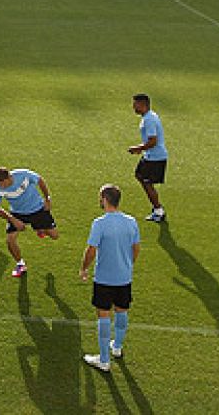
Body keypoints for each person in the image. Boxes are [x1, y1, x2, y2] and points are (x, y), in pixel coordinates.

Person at [80, 184, 142, 372]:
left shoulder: (100, 223)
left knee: (103, 315)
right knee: (122, 311)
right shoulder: (131, 221)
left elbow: (91, 250)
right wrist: (128, 265)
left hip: (104, 278)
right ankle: (117, 347)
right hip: (124, 277)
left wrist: (83, 268)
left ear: (105, 200)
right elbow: (136, 247)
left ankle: (104, 360)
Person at [0, 167, 59, 278]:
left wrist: (47, 199)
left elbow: (40, 180)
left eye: (3, 183)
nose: (1, 186)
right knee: (10, 240)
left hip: (37, 209)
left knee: (54, 236)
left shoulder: (24, 175)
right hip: (17, 213)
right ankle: (20, 264)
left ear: (9, 177)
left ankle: (40, 229)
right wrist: (13, 220)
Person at [128, 94, 168, 222]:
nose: (133, 107)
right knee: (140, 176)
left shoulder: (149, 120)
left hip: (155, 157)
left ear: (143, 105)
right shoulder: (150, 116)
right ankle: (157, 208)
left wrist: (138, 148)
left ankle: (158, 210)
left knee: (146, 181)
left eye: (135, 104)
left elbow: (153, 141)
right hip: (151, 155)